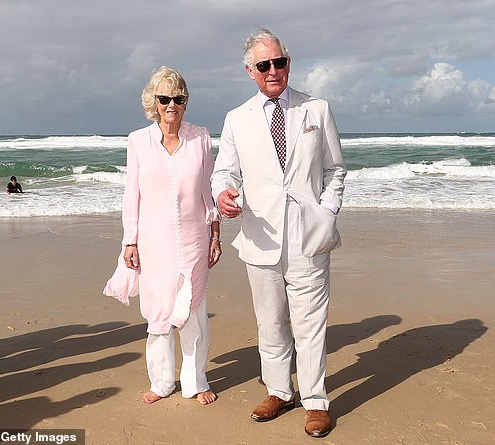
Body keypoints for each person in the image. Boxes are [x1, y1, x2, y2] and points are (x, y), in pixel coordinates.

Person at [211, 29, 347, 438]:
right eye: (265, 65)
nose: (275, 71)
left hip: (310, 237)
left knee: (310, 324)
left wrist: (326, 212)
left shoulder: (317, 109)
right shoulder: (237, 119)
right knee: (270, 323)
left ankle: (316, 401)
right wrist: (223, 195)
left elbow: (335, 170)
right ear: (250, 71)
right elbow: (224, 172)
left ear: (289, 63)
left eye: (280, 62)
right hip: (260, 237)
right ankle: (278, 391)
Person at [103, 66, 221, 406]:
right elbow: (132, 195)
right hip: (154, 242)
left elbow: (208, 189)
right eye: (165, 98)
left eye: (179, 99)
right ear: (154, 102)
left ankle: (196, 381)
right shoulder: (138, 141)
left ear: (186, 102)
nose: (172, 105)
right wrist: (130, 240)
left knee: (193, 310)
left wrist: (215, 234)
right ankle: (162, 381)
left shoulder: (200, 138)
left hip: (195, 238)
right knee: (158, 313)